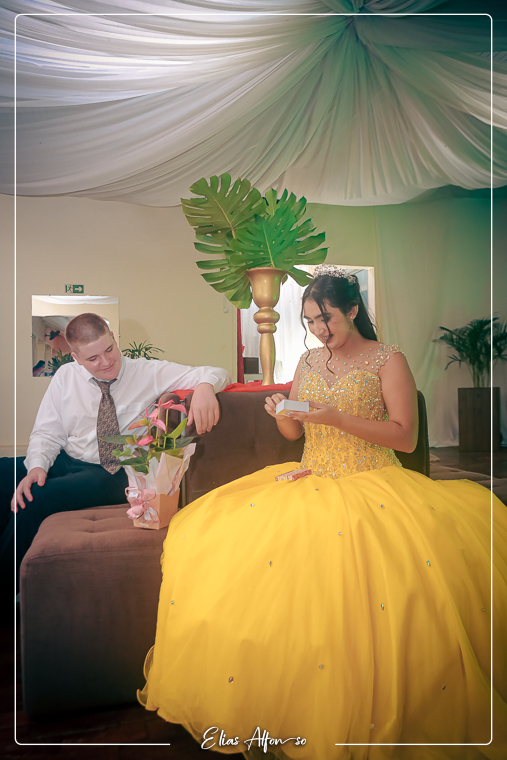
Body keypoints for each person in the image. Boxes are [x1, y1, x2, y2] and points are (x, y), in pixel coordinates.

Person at [137, 265, 507, 759]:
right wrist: (283, 413)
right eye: (310, 321)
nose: (319, 330)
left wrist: (337, 417)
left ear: (352, 310)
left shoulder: (388, 359)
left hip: (374, 481)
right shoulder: (309, 360)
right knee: (217, 548)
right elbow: (297, 432)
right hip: (311, 476)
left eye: (326, 318)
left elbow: (406, 437)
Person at [0, 313, 232, 594]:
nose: (106, 362)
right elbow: (48, 433)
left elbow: (218, 372)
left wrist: (205, 387)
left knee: (32, 499)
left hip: (114, 471)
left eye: (109, 349)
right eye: (93, 358)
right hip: (69, 459)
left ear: (113, 338)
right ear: (75, 357)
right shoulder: (65, 377)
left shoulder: (147, 371)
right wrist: (38, 467)